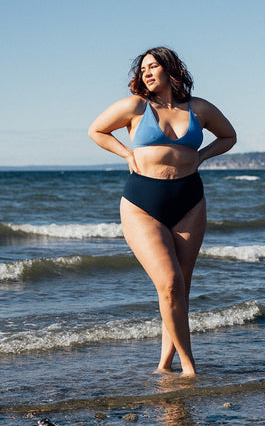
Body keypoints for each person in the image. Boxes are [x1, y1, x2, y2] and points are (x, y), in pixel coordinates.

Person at [88, 47, 236, 375]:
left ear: (172, 69)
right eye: (143, 70)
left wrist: (201, 156)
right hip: (143, 202)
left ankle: (164, 365)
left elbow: (228, 136)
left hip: (190, 200)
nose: (147, 74)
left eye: (153, 67)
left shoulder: (199, 108)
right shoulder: (136, 106)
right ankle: (190, 367)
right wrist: (127, 154)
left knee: (180, 285)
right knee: (169, 283)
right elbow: (96, 130)